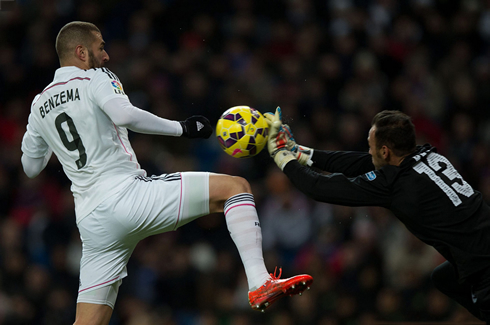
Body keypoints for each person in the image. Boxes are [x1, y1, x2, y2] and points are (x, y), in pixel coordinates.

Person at [20, 22, 313, 325]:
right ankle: (259, 282)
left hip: (93, 223)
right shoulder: (95, 77)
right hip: (128, 196)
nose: (106, 56)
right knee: (236, 187)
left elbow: (31, 167)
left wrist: (48, 140)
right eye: (100, 47)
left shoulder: (39, 104)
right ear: (81, 52)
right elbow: (124, 114)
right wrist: (182, 128)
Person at [266, 107, 490, 322]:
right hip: (480, 245)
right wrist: (298, 152)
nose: (369, 151)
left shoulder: (397, 184)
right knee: (444, 278)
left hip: (483, 267)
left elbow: (320, 188)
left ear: (385, 151)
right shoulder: (428, 155)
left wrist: (281, 156)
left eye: (371, 146)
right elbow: (360, 162)